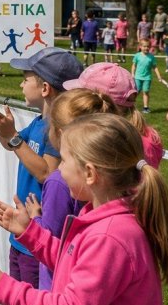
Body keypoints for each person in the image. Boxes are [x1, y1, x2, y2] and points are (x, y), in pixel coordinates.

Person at [0, 113, 168, 305]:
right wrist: (30, 232)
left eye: (64, 160)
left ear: (90, 173)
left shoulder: (108, 236)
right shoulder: (102, 217)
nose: (59, 169)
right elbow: (72, 261)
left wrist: (5, 289)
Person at [0, 47, 83, 290]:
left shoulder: (58, 130)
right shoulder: (38, 122)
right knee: (18, 297)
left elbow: (47, 172)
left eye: (25, 79)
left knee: (31, 298)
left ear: (45, 88)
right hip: (23, 232)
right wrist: (5, 132)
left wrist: (13, 137)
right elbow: (11, 145)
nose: (21, 85)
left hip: (40, 236)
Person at [24, 89, 118, 291]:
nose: (59, 167)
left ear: (59, 133)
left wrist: (33, 220)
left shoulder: (58, 182)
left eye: (64, 161)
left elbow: (52, 243)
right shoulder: (114, 183)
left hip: (57, 288)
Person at [131, 39, 165, 113]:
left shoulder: (151, 57)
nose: (146, 48)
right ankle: (131, 105)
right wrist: (132, 73)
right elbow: (134, 65)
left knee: (146, 92)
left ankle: (145, 107)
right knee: (136, 92)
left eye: (148, 46)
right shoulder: (137, 55)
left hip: (147, 78)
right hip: (138, 77)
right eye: (144, 46)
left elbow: (155, 67)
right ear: (140, 47)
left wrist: (159, 76)